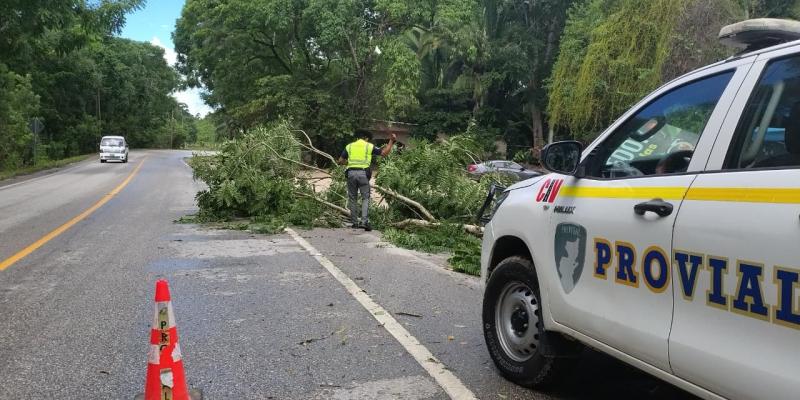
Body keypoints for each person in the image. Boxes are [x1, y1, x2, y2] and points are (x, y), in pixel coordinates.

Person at [337, 130, 396, 231]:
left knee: (352, 198)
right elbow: (384, 153)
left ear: (357, 138)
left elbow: (340, 161)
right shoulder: (369, 146)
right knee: (365, 198)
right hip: (363, 174)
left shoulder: (349, 146)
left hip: (351, 173)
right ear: (366, 138)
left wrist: (351, 164)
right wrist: (391, 141)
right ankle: (364, 222)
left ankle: (355, 223)